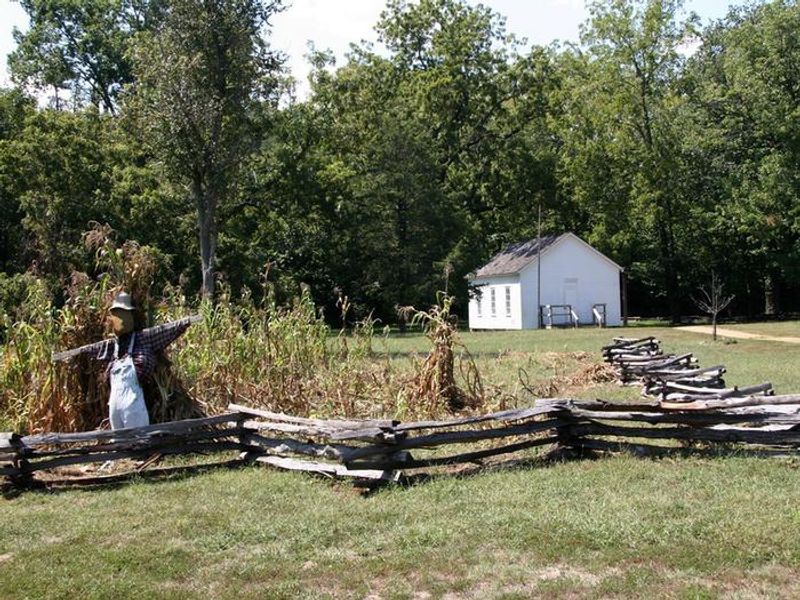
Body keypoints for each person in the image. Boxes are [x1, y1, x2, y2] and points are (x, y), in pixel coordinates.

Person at [71, 291, 195, 429]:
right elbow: (90, 349)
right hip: (114, 405)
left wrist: (188, 321)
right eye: (117, 315)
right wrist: (68, 354)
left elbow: (168, 329)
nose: (120, 320)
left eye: (123, 315)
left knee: (138, 440)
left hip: (133, 402)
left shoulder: (144, 338)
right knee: (120, 443)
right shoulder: (113, 346)